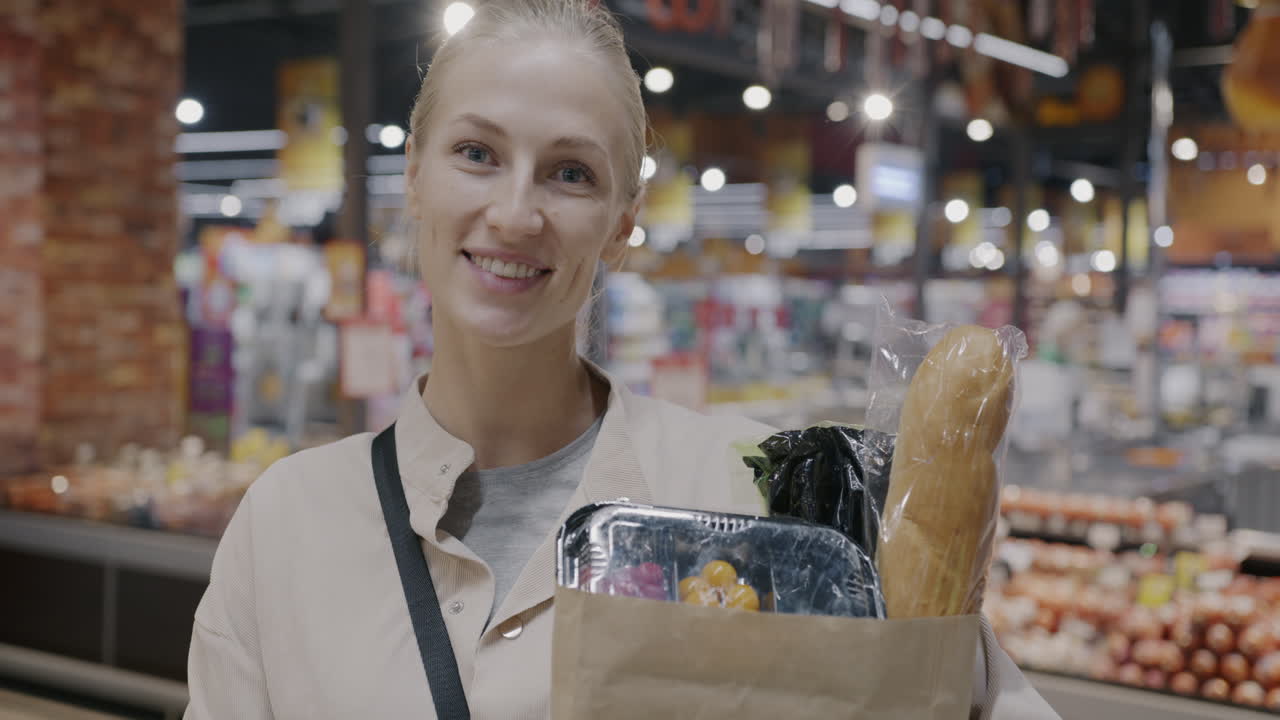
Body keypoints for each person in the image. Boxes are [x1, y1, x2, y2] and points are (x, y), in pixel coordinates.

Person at [184, 1, 1059, 718]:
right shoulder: (286, 525)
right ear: (415, 174)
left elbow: (947, 694)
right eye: (477, 154)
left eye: (571, 174)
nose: (515, 214)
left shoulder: (758, 493)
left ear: (624, 222)